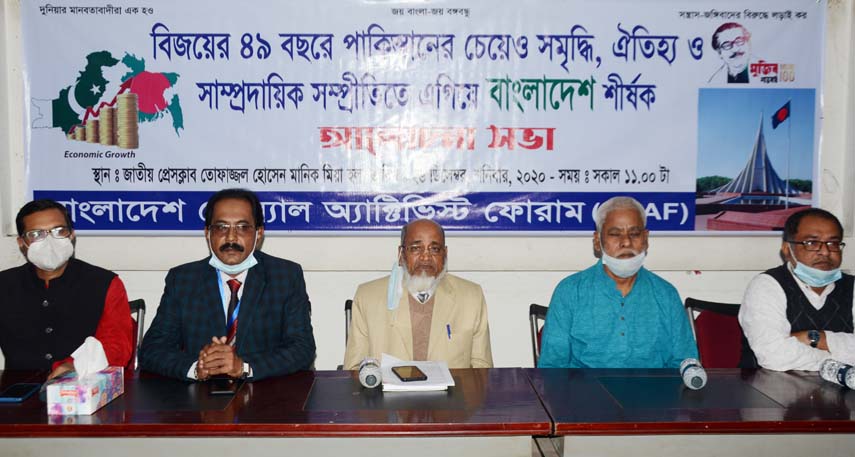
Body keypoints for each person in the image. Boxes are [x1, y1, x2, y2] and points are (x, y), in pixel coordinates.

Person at [139, 188, 315, 381]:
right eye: (221, 227)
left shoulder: (286, 276)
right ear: (207, 233)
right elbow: (152, 349)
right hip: (199, 401)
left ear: (259, 233)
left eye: (242, 227)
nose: (231, 238)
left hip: (266, 396)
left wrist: (244, 367)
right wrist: (197, 368)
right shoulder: (182, 280)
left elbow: (302, 348)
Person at [538, 196, 697, 368]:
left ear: (646, 238)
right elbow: (552, 368)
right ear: (597, 242)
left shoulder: (666, 295)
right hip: (585, 393)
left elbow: (685, 363)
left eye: (635, 234)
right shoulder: (570, 292)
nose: (626, 242)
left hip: (652, 393)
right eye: (615, 234)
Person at [0, 199, 132, 379]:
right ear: (22, 242)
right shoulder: (5, 284)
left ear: (71, 235)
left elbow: (117, 345)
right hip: (16, 393)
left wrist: (74, 365)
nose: (49, 241)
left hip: (83, 388)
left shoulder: (105, 283)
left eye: (58, 231)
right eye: (36, 234)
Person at [343, 219, 493, 370]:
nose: (426, 257)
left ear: (445, 254)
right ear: (401, 255)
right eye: (416, 248)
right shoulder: (368, 297)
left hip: (453, 393)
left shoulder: (471, 297)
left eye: (434, 249)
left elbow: (482, 370)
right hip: (386, 393)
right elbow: (353, 370)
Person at [740, 208, 855, 371]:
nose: (825, 251)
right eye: (812, 243)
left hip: (844, 390)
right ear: (787, 249)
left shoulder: (852, 286)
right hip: (771, 390)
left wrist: (817, 338)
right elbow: (775, 356)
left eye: (833, 243)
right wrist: (839, 362)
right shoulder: (767, 285)